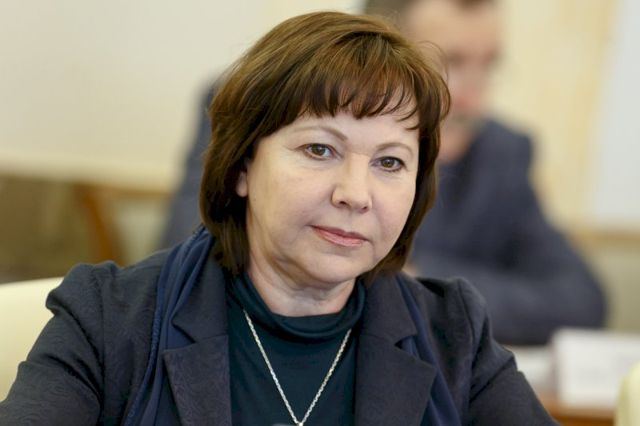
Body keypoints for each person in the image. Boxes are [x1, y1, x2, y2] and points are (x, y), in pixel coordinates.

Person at [0, 11, 556, 425]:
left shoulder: (454, 333)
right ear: (242, 166)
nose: (355, 194)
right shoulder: (107, 318)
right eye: (320, 149)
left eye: (390, 162)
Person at [162, 0, 606, 345]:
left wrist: (411, 280)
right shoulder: (257, 98)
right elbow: (191, 251)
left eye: (487, 66)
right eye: (451, 63)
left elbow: (580, 298)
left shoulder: (501, 151)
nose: (473, 99)